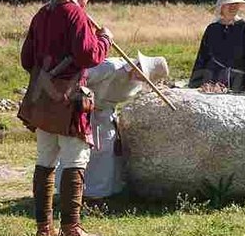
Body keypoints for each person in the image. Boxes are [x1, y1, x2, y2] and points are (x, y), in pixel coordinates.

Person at [20, 0, 112, 236]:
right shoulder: (76, 13)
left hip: (42, 98)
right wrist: (105, 39)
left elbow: (27, 59)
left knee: (44, 160)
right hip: (69, 98)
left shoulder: (41, 14)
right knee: (75, 159)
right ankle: (71, 229)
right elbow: (88, 55)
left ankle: (43, 228)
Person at [56, 52, 169, 199]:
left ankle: (98, 192)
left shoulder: (136, 84)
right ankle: (72, 191)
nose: (142, 78)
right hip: (83, 112)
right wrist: (84, 102)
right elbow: (80, 79)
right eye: (143, 74)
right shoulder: (110, 68)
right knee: (80, 152)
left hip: (106, 116)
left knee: (107, 152)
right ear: (138, 66)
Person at [188, 0, 245, 92]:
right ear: (221, 6)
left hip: (238, 83)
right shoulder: (212, 29)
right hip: (212, 83)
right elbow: (202, 57)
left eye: (235, 4)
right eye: (229, 4)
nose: (233, 7)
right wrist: (195, 83)